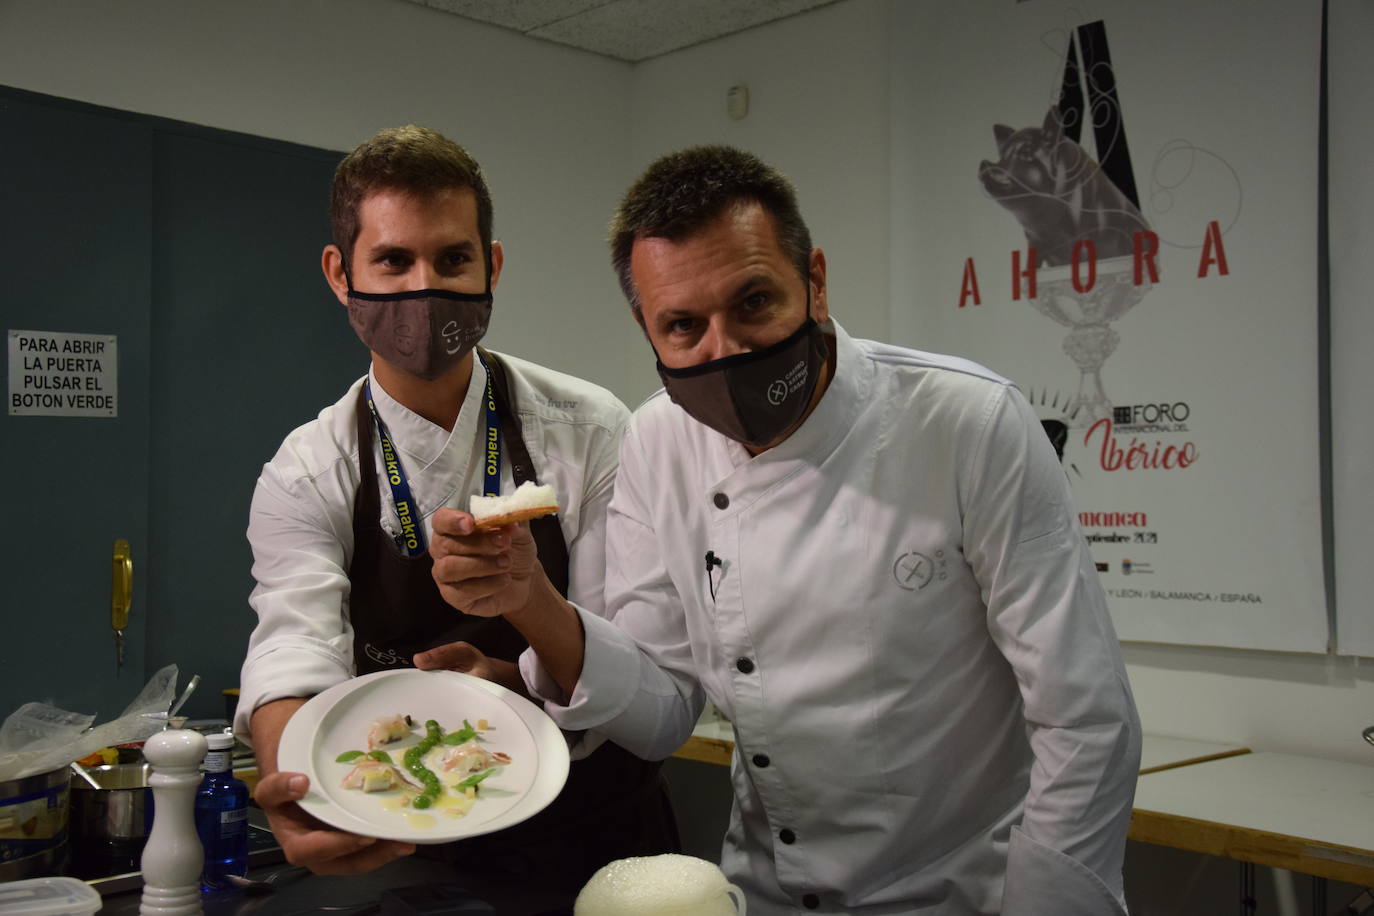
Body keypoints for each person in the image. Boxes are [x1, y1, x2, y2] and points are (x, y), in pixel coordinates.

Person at [430, 146, 1142, 915]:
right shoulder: (656, 441)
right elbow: (665, 705)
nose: (724, 348)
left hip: (959, 893)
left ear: (817, 281)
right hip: (764, 889)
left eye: (754, 303)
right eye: (682, 326)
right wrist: (528, 596)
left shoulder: (966, 422)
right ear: (648, 330)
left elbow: (1086, 719)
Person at [236, 125, 678, 912]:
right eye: (393, 262)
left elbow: (653, 704)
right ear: (340, 274)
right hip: (411, 827)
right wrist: (295, 785)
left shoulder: (591, 429)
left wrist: (528, 610)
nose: (424, 288)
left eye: (452, 260)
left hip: (604, 834)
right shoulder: (309, 469)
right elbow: (293, 643)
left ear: (492, 267)